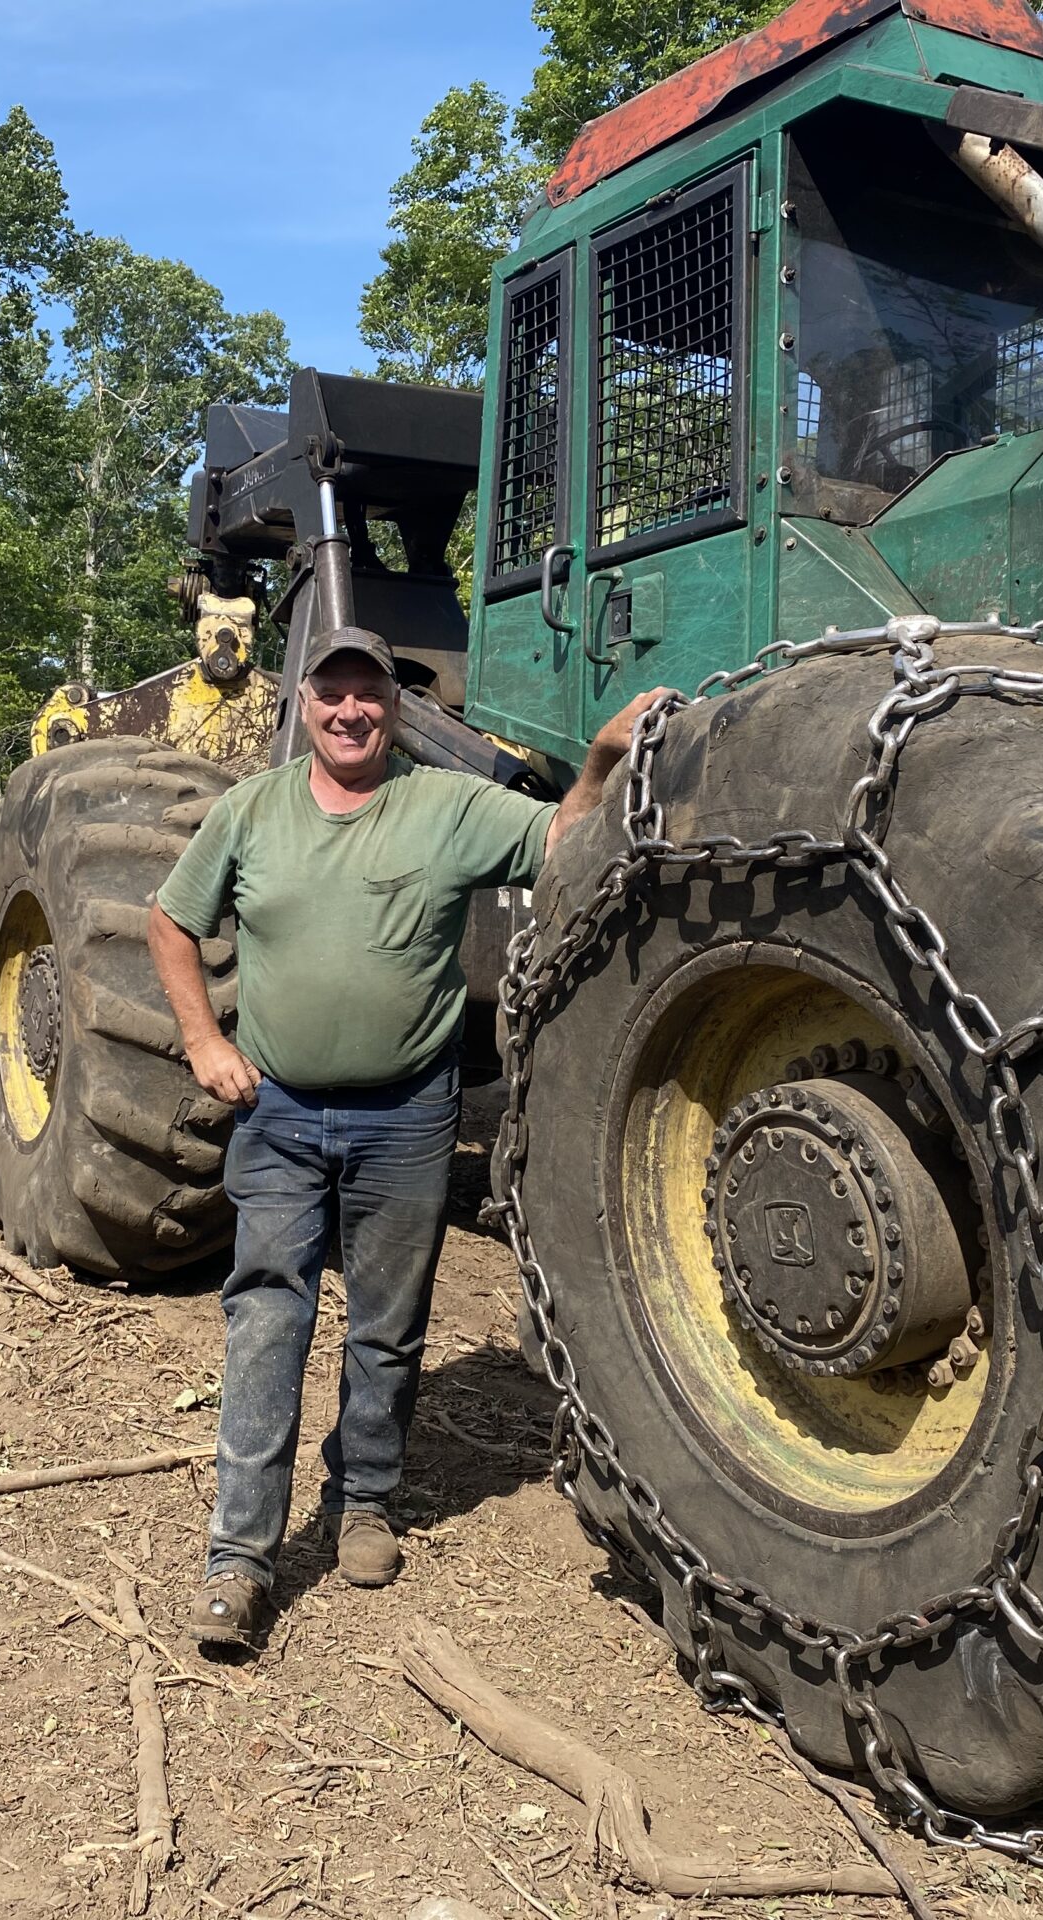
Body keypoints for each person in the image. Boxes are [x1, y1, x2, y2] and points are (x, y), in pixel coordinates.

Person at [148, 626, 669, 1650]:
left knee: (388, 1323)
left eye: (368, 694)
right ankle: (240, 1559)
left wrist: (604, 760)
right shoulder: (250, 812)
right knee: (267, 1324)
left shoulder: (444, 805)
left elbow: (561, 841)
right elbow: (171, 922)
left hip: (407, 1115)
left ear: (392, 706)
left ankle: (366, 1502)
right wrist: (203, 1039)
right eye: (331, 693)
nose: (350, 711)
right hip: (280, 1111)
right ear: (304, 705)